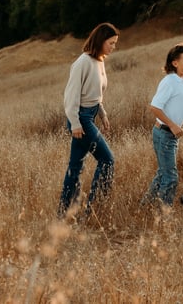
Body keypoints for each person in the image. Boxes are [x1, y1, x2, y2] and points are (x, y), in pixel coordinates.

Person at [58, 22, 119, 219]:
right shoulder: (82, 62)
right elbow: (72, 96)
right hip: (81, 119)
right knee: (107, 160)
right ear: (101, 41)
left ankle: (66, 212)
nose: (113, 47)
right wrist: (75, 123)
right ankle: (95, 209)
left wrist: (102, 113)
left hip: (90, 114)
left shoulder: (99, 61)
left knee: (75, 167)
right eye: (111, 43)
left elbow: (94, 94)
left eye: (115, 43)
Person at [141, 43, 183, 207]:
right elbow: (155, 107)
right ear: (175, 63)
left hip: (170, 135)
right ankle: (163, 215)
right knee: (170, 177)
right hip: (164, 133)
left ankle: (145, 205)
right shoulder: (169, 81)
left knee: (163, 173)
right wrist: (172, 125)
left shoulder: (182, 80)